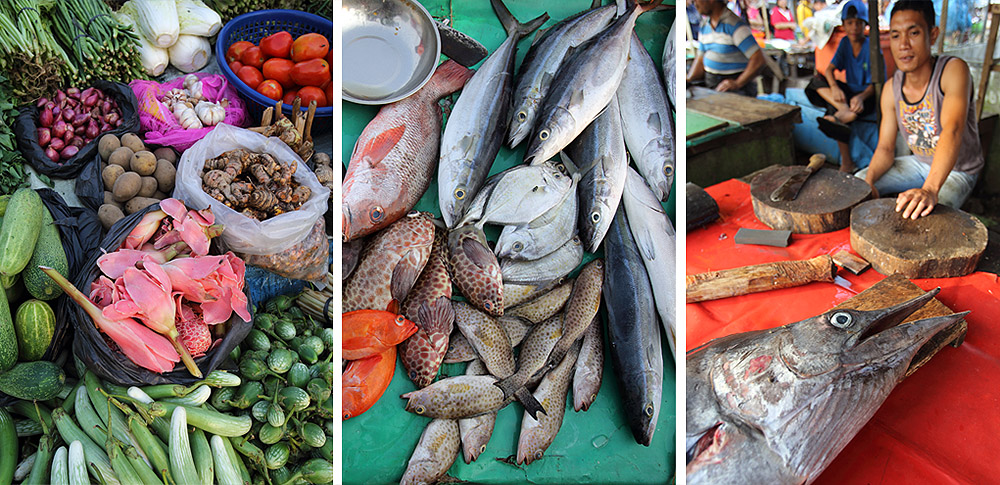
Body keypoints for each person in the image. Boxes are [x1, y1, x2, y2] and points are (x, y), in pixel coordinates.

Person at [855, 0, 983, 218]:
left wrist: (930, 190)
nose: (903, 44)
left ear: (932, 35)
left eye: (913, 33)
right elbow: (885, 149)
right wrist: (869, 183)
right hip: (919, 163)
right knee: (857, 185)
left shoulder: (952, 71)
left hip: (959, 170)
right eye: (895, 35)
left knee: (928, 215)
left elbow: (952, 131)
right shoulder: (890, 89)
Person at [805, 0, 878, 172]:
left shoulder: (871, 48)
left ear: (865, 25)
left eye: (858, 23)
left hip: (867, 96)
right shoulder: (845, 43)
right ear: (844, 25)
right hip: (848, 95)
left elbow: (875, 84)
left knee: (832, 110)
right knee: (816, 81)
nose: (854, 28)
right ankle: (845, 111)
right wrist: (835, 87)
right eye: (849, 23)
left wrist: (860, 97)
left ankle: (846, 163)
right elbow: (829, 70)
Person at [687, 0, 766, 96]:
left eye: (696, 0)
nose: (695, 3)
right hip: (712, 85)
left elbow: (758, 59)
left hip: (735, 89)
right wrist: (688, 79)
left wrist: (737, 83)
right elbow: (700, 59)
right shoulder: (705, 26)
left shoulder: (734, 25)